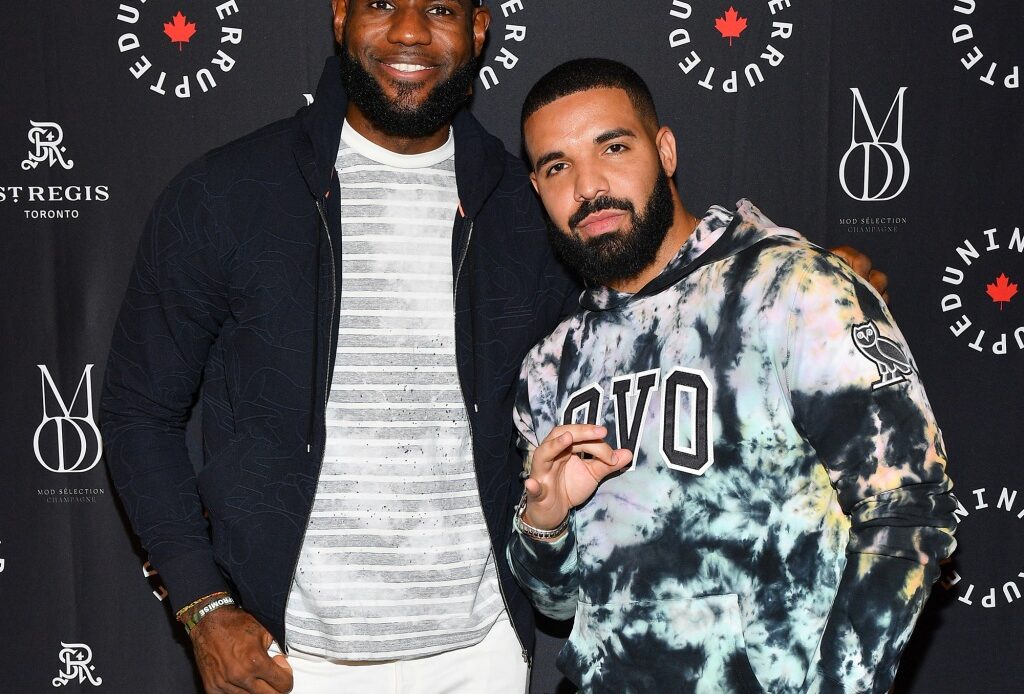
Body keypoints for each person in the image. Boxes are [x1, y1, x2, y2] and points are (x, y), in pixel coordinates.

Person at [100, 1, 887, 691]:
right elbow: (140, 410)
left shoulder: (530, 200)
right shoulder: (226, 192)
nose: (410, 30)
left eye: (441, 9)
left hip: (481, 658)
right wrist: (203, 605)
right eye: (381, 2)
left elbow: (649, 284)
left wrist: (800, 276)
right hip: (289, 660)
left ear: (478, 32)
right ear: (339, 16)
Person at [508, 59, 957, 694]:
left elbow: (910, 511)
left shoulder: (792, 288)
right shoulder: (554, 363)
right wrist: (545, 519)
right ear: (537, 186)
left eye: (613, 147)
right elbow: (555, 604)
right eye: (558, 166)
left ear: (664, 150)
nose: (589, 186)